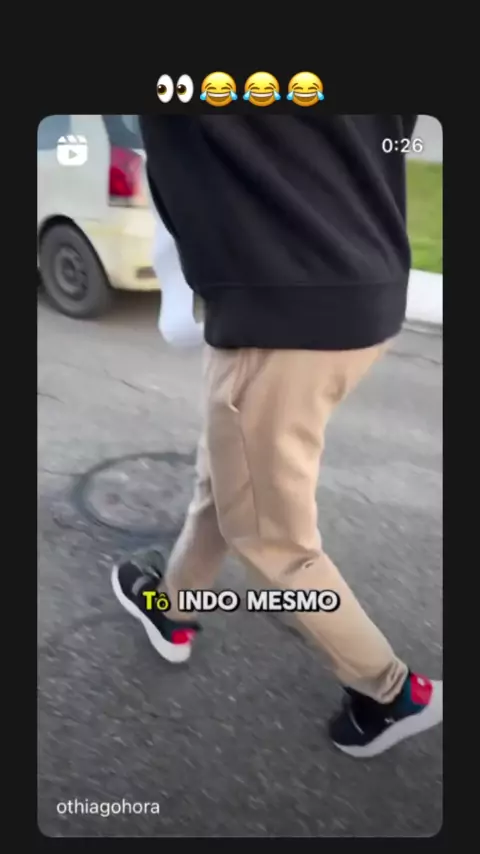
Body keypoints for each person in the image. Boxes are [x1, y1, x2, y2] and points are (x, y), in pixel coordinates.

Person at [112, 115, 442, 758]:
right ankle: (173, 610)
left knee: (273, 540)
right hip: (364, 282)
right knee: (227, 481)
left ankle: (391, 692)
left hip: (279, 311)